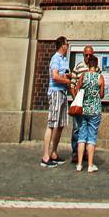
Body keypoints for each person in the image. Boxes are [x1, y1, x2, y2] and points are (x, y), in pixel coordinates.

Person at [41, 35, 71, 167]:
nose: (68, 45)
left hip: (63, 93)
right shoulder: (55, 58)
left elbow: (62, 74)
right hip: (55, 93)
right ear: (62, 45)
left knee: (60, 125)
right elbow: (54, 76)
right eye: (67, 43)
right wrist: (67, 80)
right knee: (52, 124)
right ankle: (45, 156)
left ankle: (53, 153)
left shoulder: (64, 59)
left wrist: (67, 76)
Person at [74, 51, 105, 173]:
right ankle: (90, 165)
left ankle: (79, 164)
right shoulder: (100, 77)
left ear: (88, 65)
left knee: (82, 136)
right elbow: (102, 95)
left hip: (83, 110)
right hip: (95, 110)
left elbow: (77, 89)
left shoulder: (83, 76)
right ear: (96, 66)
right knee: (91, 137)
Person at [69, 44, 96, 163]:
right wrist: (76, 99)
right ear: (83, 55)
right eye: (86, 55)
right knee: (77, 128)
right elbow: (72, 85)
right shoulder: (78, 67)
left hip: (90, 105)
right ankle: (76, 152)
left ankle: (85, 152)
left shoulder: (96, 68)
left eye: (90, 55)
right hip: (80, 103)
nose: (88, 57)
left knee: (88, 129)